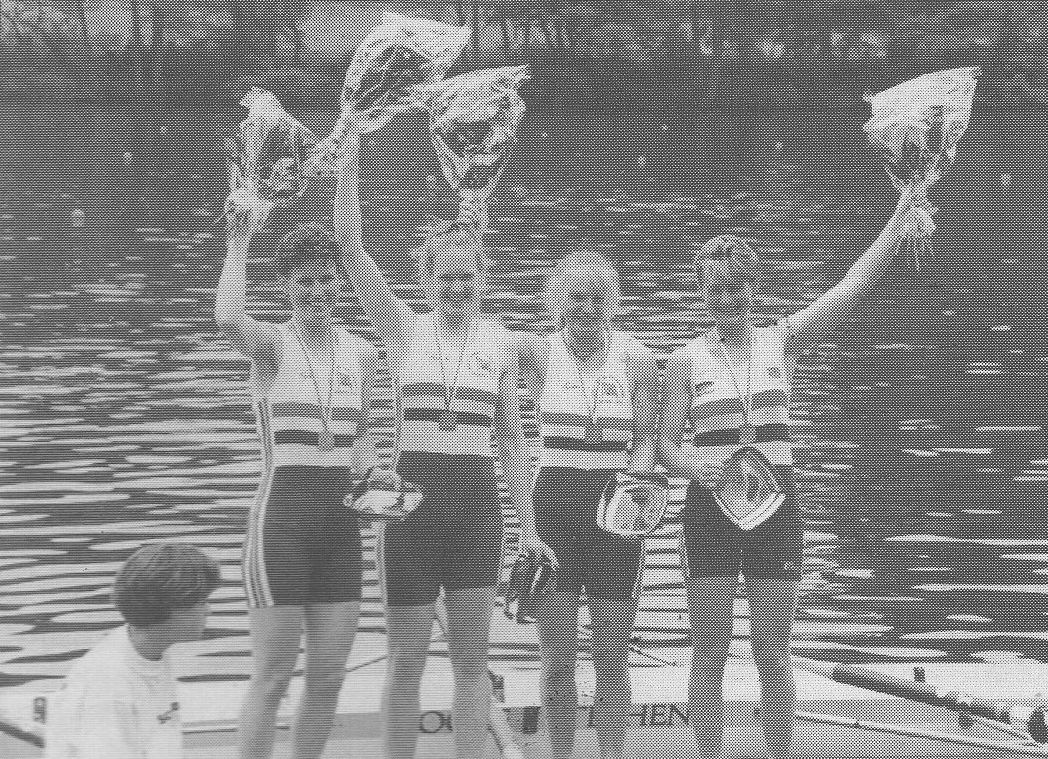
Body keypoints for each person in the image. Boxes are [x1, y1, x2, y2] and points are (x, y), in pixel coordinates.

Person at [659, 187, 926, 759]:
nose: (725, 299)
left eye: (735, 288)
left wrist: (897, 223)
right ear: (702, 294)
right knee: (707, 655)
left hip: (776, 507)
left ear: (752, 289)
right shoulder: (682, 362)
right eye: (714, 289)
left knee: (771, 655)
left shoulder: (779, 341)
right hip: (711, 513)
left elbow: (849, 291)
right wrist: (698, 464)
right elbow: (663, 448)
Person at [332, 129, 531, 759]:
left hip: (475, 508)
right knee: (407, 663)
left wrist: (522, 522)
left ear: (481, 269)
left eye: (467, 260)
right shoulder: (398, 323)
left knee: (472, 666)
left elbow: (514, 443)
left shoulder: (505, 343)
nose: (455, 270)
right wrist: (344, 165)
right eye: (442, 260)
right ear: (423, 268)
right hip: (412, 507)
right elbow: (349, 246)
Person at [216, 197, 387, 759]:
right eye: (305, 282)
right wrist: (239, 239)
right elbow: (227, 318)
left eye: (326, 281)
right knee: (272, 675)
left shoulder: (363, 354)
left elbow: (366, 434)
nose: (316, 293)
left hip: (341, 528)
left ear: (340, 287)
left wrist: (371, 471)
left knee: (328, 679)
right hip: (282, 523)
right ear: (288, 287)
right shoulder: (272, 347)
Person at [519, 248, 659, 759]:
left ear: (611, 302)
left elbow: (645, 439)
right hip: (554, 508)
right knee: (557, 658)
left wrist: (638, 478)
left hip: (614, 514)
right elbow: (513, 436)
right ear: (558, 302)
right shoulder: (534, 354)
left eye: (597, 299)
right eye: (576, 298)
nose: (587, 309)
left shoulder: (638, 358)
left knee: (610, 653)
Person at [44, 543, 220, 759]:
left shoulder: (149, 651)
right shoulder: (109, 686)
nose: (209, 609)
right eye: (202, 601)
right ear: (171, 607)